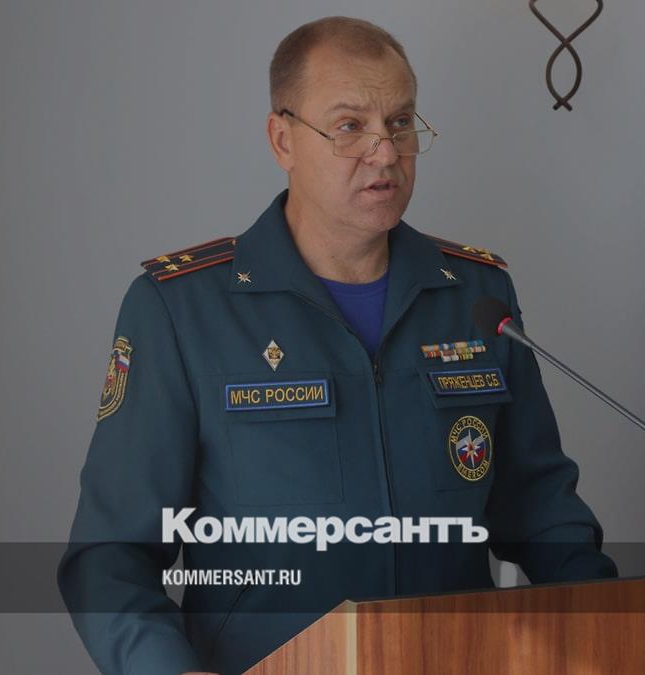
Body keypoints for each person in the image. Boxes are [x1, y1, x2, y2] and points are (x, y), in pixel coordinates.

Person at [58, 16, 616, 675]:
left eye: (400, 123)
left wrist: (612, 632)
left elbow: (543, 513)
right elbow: (109, 556)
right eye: (350, 126)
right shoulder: (182, 309)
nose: (385, 153)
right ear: (283, 139)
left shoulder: (476, 297)